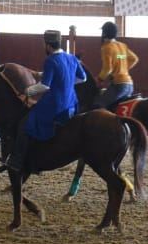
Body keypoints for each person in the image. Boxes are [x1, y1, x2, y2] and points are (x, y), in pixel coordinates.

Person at [6, 30, 87, 174]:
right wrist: (64, 82)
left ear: (48, 46)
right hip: (71, 103)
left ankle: (17, 161)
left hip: (55, 105)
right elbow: (83, 78)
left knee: (25, 124)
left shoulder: (50, 60)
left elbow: (44, 86)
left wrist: (27, 91)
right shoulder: (72, 58)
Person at [95, 21, 138, 108]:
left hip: (118, 86)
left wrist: (99, 79)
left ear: (104, 33)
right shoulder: (122, 45)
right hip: (129, 85)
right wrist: (123, 69)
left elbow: (108, 68)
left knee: (97, 106)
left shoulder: (106, 48)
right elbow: (134, 59)